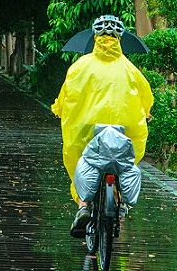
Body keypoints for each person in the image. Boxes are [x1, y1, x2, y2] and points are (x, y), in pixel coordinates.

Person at [51, 15, 154, 238]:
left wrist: (58, 108)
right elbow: (146, 96)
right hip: (123, 129)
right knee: (122, 159)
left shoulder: (80, 66)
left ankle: (83, 207)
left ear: (95, 37)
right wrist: (146, 113)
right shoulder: (131, 69)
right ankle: (119, 200)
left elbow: (66, 93)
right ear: (120, 38)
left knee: (80, 160)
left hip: (87, 129)